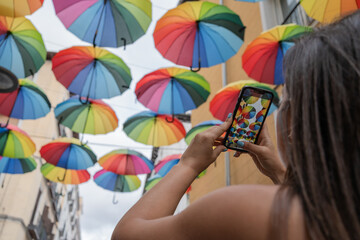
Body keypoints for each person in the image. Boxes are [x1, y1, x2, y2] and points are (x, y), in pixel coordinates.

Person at [112, 10, 360, 240]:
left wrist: (188, 164)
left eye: (285, 98)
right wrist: (280, 174)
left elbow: (127, 235)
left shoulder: (242, 210)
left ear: (296, 121)